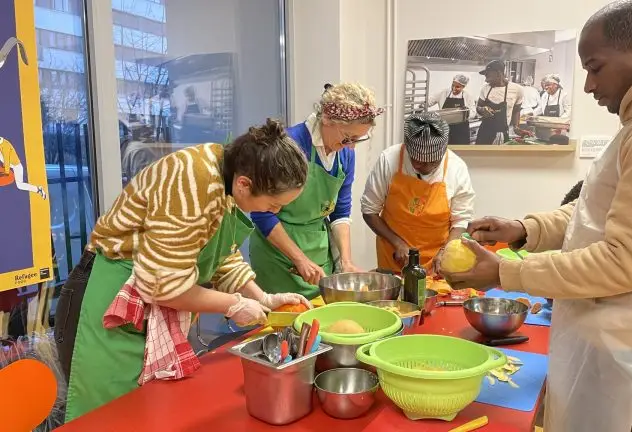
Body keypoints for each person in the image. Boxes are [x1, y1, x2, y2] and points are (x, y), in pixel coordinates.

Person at [442, 1, 632, 431]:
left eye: (595, 67)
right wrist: (527, 228)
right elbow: (598, 210)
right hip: (627, 326)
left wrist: (506, 274)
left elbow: (625, 261)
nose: (587, 86)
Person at [54, 120, 312, 422]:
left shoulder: (225, 178)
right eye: (273, 204)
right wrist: (233, 304)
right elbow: (163, 287)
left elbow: (220, 256)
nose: (275, 212)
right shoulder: (193, 182)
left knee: (149, 412)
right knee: (109, 418)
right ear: (244, 184)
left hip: (151, 299)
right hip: (106, 295)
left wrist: (263, 298)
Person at [249, 83, 384, 300]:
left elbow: (340, 212)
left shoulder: (344, 154)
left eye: (358, 139)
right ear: (327, 120)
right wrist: (300, 259)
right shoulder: (289, 145)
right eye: (348, 137)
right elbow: (261, 213)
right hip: (278, 256)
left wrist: (345, 262)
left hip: (319, 252)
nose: (352, 147)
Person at [361, 112, 475, 273]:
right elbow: (369, 211)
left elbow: (461, 221)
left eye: (432, 162)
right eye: (417, 161)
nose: (425, 167)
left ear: (442, 153)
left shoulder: (457, 168)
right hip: (394, 256)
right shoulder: (389, 160)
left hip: (437, 260)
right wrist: (398, 243)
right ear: (407, 149)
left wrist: (445, 252)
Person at [475, 60, 524, 144]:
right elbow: (478, 107)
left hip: (502, 133)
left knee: (499, 156)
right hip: (484, 132)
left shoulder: (517, 89)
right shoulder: (485, 88)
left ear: (498, 73)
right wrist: (482, 110)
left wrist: (516, 127)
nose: (486, 80)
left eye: (488, 75)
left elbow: (516, 110)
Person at [424, 74, 476, 144]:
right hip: (444, 127)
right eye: (452, 85)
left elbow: (473, 112)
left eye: (457, 87)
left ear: (463, 86)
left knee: (460, 150)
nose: (454, 89)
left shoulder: (468, 96)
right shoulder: (443, 93)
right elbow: (429, 102)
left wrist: (464, 114)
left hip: (461, 129)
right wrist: (422, 106)